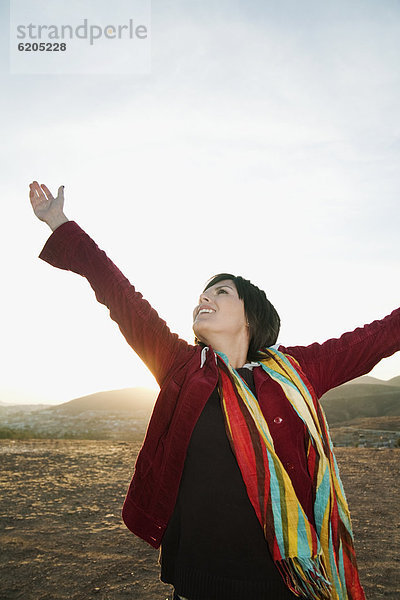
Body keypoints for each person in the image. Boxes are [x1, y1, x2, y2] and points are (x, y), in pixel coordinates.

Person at [29, 180, 400, 600]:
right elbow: (119, 294)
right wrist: (58, 223)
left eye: (221, 292)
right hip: (197, 582)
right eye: (202, 294)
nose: (204, 298)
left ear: (251, 314)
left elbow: (376, 337)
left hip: (282, 582)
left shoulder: (297, 370)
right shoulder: (181, 366)